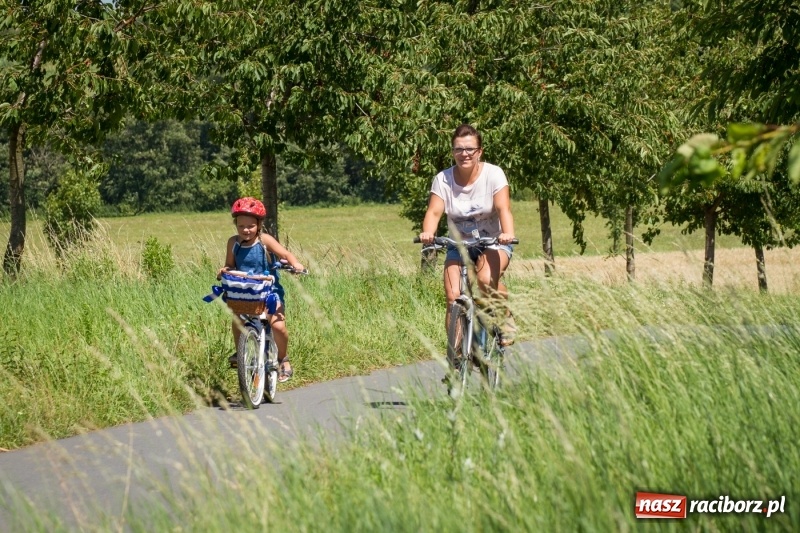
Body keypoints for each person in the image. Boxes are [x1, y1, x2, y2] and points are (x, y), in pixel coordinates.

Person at [418, 124, 516, 345]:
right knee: (453, 298)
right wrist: (428, 233)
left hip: (493, 241)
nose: (464, 154)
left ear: (479, 151)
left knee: (484, 280)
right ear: (453, 151)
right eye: (458, 149)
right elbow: (434, 212)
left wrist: (508, 233)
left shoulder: (494, 174)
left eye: (470, 149)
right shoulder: (443, 179)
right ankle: (456, 358)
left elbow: (503, 209)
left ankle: (505, 317)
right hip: (459, 244)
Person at [217, 197, 305, 383]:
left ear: (259, 224)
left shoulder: (265, 240)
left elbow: (285, 254)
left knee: (278, 326)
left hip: (269, 291)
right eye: (241, 226)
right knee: (238, 319)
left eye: (250, 226)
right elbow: (229, 265)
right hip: (245, 291)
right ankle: (240, 353)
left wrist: (295, 264)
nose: (246, 230)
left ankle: (283, 359)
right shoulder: (233, 243)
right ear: (236, 225)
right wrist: (224, 271)